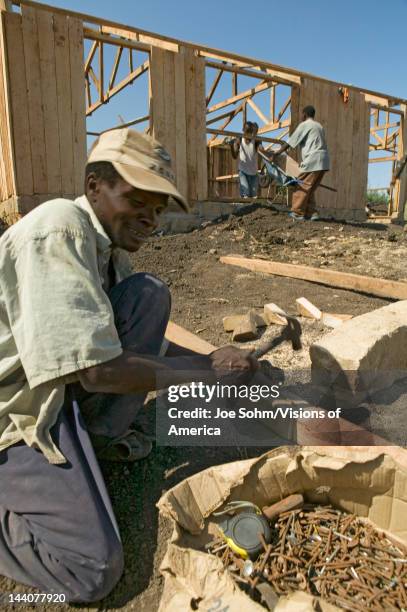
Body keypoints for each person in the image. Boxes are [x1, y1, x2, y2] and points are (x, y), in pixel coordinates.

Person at [0, 128, 258, 602]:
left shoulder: (106, 251)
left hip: (56, 391)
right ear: (95, 184)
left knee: (148, 295)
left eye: (159, 209)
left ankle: (90, 448)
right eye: (139, 199)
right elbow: (99, 371)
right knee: (91, 570)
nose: (151, 219)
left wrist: (211, 359)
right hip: (18, 414)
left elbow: (130, 348)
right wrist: (207, 374)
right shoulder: (59, 227)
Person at [271, 106, 330, 221]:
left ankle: (297, 213)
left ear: (304, 114)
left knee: (301, 186)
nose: (300, 117)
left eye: (301, 114)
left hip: (312, 160)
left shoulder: (304, 125)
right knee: (309, 188)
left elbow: (290, 142)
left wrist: (277, 153)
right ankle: (312, 213)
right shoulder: (319, 126)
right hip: (323, 162)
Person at [229, 121, 268, 198]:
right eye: (246, 132)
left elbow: (261, 149)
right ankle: (242, 207)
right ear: (243, 130)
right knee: (245, 192)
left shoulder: (256, 140)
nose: (247, 134)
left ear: (252, 132)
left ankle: (249, 208)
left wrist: (262, 147)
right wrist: (231, 147)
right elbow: (234, 156)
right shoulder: (239, 139)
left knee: (253, 195)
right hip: (243, 171)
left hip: (254, 173)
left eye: (250, 132)